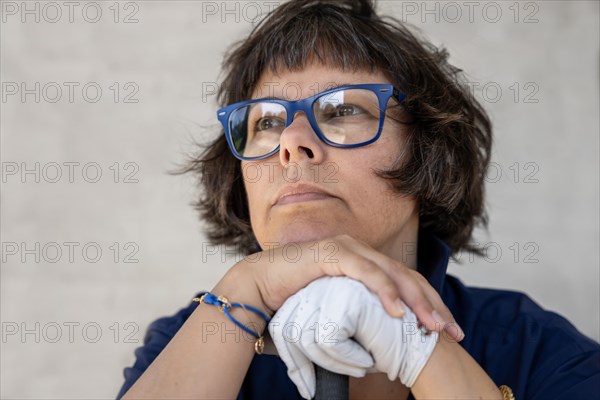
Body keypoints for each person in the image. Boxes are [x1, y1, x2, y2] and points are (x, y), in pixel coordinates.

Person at [116, 1, 600, 399]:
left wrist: (419, 347)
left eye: (343, 109)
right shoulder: (187, 342)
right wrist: (245, 290)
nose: (292, 142)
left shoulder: (536, 348)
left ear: (429, 152)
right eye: (265, 121)